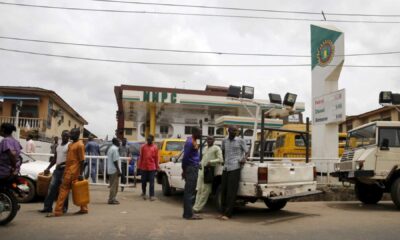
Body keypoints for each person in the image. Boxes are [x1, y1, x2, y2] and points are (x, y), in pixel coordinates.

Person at [47, 128, 88, 217]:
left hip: (73, 172)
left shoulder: (80, 145)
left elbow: (82, 161)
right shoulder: (71, 145)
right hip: (68, 170)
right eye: (70, 133)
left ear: (77, 135)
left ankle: (58, 211)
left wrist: (81, 174)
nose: (70, 135)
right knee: (77, 190)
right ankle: (84, 208)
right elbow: (68, 160)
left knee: (63, 190)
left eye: (72, 134)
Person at [219, 126, 248, 221]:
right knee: (223, 190)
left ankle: (228, 214)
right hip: (226, 167)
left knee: (231, 192)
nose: (235, 132)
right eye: (233, 130)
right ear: (228, 131)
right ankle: (222, 211)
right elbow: (223, 151)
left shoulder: (241, 141)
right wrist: (224, 160)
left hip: (235, 167)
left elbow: (246, 152)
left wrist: (244, 159)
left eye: (236, 131)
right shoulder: (224, 141)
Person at [39, 131, 70, 213]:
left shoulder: (69, 146)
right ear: (62, 136)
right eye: (64, 136)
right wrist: (48, 168)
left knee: (63, 190)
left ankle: (63, 208)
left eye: (67, 136)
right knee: (51, 189)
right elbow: (55, 158)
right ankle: (47, 207)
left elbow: (71, 160)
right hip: (57, 170)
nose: (66, 137)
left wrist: (63, 164)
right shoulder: (59, 146)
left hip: (65, 170)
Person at [193, 136, 223, 213]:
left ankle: (198, 208)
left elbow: (220, 159)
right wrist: (200, 163)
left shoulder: (216, 148)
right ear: (206, 140)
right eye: (208, 139)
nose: (209, 140)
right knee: (199, 190)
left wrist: (211, 162)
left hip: (209, 171)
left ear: (214, 140)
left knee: (205, 191)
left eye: (211, 139)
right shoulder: (204, 148)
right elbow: (203, 158)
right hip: (201, 171)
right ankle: (195, 206)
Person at [181, 127, 202, 220]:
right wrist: (184, 170)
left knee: (190, 191)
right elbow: (185, 158)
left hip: (192, 168)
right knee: (189, 192)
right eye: (199, 132)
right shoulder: (190, 142)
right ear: (194, 132)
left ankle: (188, 213)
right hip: (191, 168)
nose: (201, 134)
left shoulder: (193, 140)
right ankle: (189, 214)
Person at [138, 135, 159, 201]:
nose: (148, 141)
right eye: (147, 140)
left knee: (152, 182)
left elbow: (156, 158)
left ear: (152, 140)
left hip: (152, 167)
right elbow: (141, 157)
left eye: (149, 140)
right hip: (144, 167)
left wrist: (157, 167)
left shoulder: (155, 147)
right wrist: (139, 166)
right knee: (143, 181)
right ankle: (144, 193)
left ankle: (151, 195)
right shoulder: (143, 147)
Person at [107, 138, 121, 204]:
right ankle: (111, 199)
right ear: (115, 142)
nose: (119, 143)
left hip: (110, 169)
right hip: (114, 170)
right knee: (114, 186)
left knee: (113, 185)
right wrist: (118, 170)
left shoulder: (111, 148)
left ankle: (113, 198)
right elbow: (115, 160)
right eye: (118, 141)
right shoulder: (115, 149)